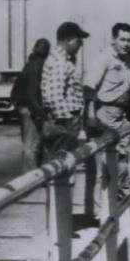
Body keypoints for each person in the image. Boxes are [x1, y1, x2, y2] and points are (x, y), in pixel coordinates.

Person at [40, 21, 89, 158]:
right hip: (63, 122)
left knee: (65, 163)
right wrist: (68, 122)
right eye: (79, 41)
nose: (81, 45)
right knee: (62, 163)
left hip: (63, 121)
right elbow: (55, 95)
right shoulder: (59, 62)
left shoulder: (62, 59)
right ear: (70, 40)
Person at [10, 38, 51, 171]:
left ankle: (31, 177)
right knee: (32, 147)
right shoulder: (38, 66)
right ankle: (30, 180)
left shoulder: (29, 64)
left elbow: (15, 91)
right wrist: (42, 114)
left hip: (24, 108)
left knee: (31, 145)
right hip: (31, 109)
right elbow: (32, 95)